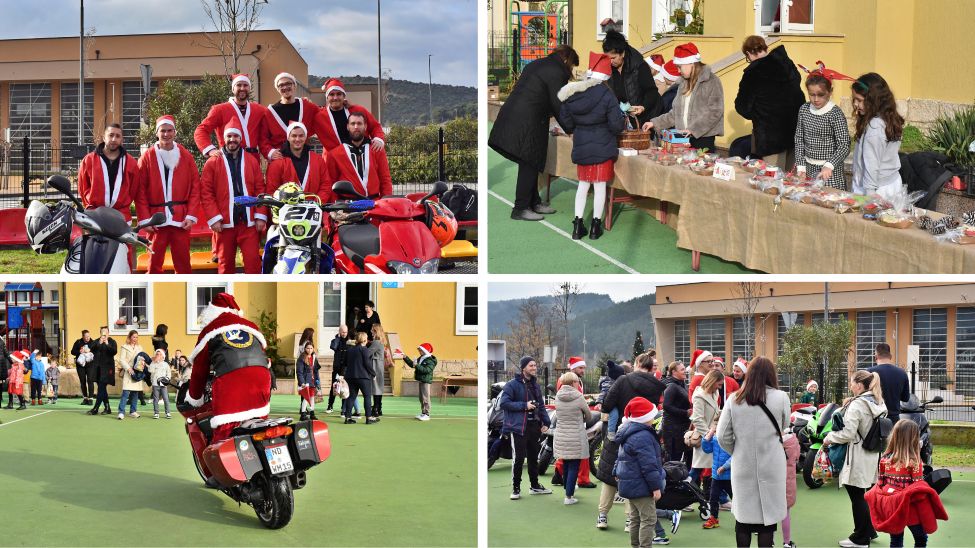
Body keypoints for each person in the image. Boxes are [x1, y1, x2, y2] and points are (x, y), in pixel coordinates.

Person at [489, 45, 580, 221]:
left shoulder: (537, 64)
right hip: (528, 119)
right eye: (572, 66)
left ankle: (534, 202)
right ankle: (521, 208)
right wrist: (571, 130)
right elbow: (558, 103)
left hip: (517, 114)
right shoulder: (557, 71)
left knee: (531, 161)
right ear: (566, 60)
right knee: (529, 161)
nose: (571, 70)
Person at [715, 357, 791, 548]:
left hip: (743, 464)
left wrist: (739, 450)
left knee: (743, 518)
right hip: (772, 463)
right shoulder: (781, 397)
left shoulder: (734, 399)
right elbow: (784, 425)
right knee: (768, 519)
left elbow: (722, 435)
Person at [185, 293, 272, 442]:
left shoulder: (210, 330)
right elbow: (262, 354)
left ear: (211, 312)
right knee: (259, 427)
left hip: (232, 382)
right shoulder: (250, 327)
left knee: (223, 433)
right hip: (261, 378)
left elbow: (200, 370)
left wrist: (194, 397)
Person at [558, 52, 627, 241]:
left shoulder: (574, 92)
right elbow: (616, 125)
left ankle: (577, 225)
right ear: (606, 76)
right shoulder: (608, 95)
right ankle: (596, 226)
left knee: (583, 184)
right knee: (600, 186)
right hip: (603, 145)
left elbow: (565, 118)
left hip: (582, 144)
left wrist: (574, 128)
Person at [823, 370, 888, 548]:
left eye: (852, 382)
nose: (850, 386)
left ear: (859, 385)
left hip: (857, 455)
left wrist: (829, 437)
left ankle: (860, 538)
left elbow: (848, 433)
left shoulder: (858, 404)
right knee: (864, 494)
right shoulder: (878, 401)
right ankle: (869, 531)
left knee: (857, 496)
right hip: (872, 454)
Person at [865, 420, 948, 548]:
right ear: (913, 438)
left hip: (892, 504)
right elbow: (918, 487)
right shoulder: (914, 461)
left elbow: (881, 483)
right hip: (910, 505)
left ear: (895, 435)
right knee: (921, 538)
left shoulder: (885, 459)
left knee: (896, 539)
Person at [136, 115, 201, 273]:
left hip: (181, 219)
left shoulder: (186, 156)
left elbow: (195, 187)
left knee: (183, 264)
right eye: (163, 131)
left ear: (174, 132)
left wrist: (191, 215)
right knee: (153, 264)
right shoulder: (147, 157)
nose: (166, 134)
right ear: (157, 133)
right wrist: (146, 220)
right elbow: (140, 191)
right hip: (156, 219)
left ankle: (185, 288)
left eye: (169, 130)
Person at [200, 123, 267, 274]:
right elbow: (206, 193)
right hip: (224, 224)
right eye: (229, 136)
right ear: (224, 139)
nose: (232, 139)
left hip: (248, 223)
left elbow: (260, 189)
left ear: (240, 139)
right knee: (225, 266)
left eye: (236, 136)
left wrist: (260, 216)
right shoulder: (212, 162)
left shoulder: (251, 160)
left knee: (253, 264)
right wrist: (214, 218)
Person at [730, 36, 805, 160]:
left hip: (770, 136)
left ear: (748, 53)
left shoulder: (753, 73)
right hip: (795, 130)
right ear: (765, 48)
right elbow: (796, 87)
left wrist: (760, 115)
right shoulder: (786, 63)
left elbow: (742, 107)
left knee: (771, 171)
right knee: (791, 172)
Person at [643, 43, 724, 151]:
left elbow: (715, 111)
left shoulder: (712, 81)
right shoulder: (682, 83)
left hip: (703, 138)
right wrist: (654, 123)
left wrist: (693, 129)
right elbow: (675, 114)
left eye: (679, 67)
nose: (678, 71)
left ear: (691, 63)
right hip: (682, 138)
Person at [613, 397, 665, 548]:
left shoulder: (627, 431)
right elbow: (649, 465)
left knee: (635, 518)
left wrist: (616, 471)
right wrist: (655, 487)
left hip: (629, 483)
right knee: (649, 519)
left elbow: (620, 456)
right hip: (642, 485)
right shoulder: (643, 436)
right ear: (646, 418)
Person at [499, 356, 553, 500]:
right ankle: (516, 488)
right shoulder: (512, 385)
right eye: (531, 365)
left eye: (535, 365)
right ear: (523, 368)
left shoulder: (535, 385)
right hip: (518, 428)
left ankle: (534, 486)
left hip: (534, 427)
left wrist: (546, 422)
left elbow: (541, 405)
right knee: (518, 459)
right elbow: (504, 403)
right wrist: (524, 406)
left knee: (533, 458)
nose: (534, 368)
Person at [793, 70, 851, 190]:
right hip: (808, 169)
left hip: (830, 173)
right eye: (812, 94)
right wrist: (801, 166)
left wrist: (829, 165)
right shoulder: (804, 110)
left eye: (820, 95)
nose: (816, 99)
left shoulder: (835, 113)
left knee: (830, 199)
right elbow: (799, 139)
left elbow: (844, 144)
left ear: (830, 92)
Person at [193, 73, 268, 162]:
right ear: (233, 88)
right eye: (239, 85)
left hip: (253, 160)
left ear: (249, 88)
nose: (242, 88)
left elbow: (269, 132)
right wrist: (210, 149)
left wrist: (271, 152)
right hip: (227, 160)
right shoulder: (219, 109)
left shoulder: (260, 110)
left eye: (245, 85)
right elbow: (201, 130)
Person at [851, 73, 904, 195]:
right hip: (890, 183)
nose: (855, 104)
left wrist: (870, 194)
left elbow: (872, 162)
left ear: (873, 100)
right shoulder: (888, 118)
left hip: (875, 189)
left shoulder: (874, 127)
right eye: (854, 99)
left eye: (859, 100)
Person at [322, 112, 393, 202]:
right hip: (347, 206)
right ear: (348, 127)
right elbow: (332, 184)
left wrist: (386, 201)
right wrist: (336, 205)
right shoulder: (334, 154)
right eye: (353, 124)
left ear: (365, 126)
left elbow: (385, 179)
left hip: (374, 203)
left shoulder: (376, 150)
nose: (356, 127)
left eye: (359, 123)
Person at [77, 124, 139, 222]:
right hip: (95, 215)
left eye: (118, 136)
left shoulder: (131, 162)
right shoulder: (89, 160)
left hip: (121, 216)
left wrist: (122, 202)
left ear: (122, 140)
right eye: (111, 135)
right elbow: (83, 187)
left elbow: (133, 190)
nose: (114, 139)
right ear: (104, 138)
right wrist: (90, 205)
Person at [601, 30, 660, 127]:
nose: (610, 62)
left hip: (645, 119)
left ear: (623, 53)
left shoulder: (639, 65)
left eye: (613, 58)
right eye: (608, 58)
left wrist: (643, 107)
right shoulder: (607, 68)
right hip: (623, 121)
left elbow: (652, 91)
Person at [313, 77, 386, 152]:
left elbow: (375, 126)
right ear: (327, 97)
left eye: (338, 94)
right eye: (331, 94)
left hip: (361, 154)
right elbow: (306, 129)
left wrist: (378, 139)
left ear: (344, 96)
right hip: (333, 157)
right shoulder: (319, 117)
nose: (335, 98)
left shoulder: (358, 110)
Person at [553, 356, 594, 488]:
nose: (583, 370)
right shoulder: (569, 381)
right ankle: (582, 479)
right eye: (581, 368)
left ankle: (560, 473)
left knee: (567, 452)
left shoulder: (569, 381)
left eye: (583, 368)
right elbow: (571, 400)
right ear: (573, 368)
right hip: (574, 422)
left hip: (568, 422)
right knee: (581, 451)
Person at [264, 122, 330, 202]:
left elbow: (325, 185)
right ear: (288, 137)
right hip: (286, 208)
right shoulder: (277, 163)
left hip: (314, 207)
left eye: (301, 136)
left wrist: (316, 203)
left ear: (305, 137)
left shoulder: (318, 160)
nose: (297, 139)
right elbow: (271, 191)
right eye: (294, 136)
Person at [263, 72, 321, 160]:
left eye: (288, 83)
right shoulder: (270, 112)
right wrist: (270, 152)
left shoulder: (307, 106)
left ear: (294, 86)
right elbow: (263, 137)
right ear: (277, 89)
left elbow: (325, 117)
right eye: (281, 85)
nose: (285, 87)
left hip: (303, 158)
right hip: (280, 159)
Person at [690, 370, 723, 486]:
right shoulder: (699, 396)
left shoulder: (714, 393)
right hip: (704, 437)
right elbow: (697, 419)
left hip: (711, 435)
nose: (720, 387)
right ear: (712, 381)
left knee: (708, 468)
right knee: (697, 469)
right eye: (719, 384)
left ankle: (710, 493)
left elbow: (714, 412)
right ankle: (684, 490)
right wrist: (708, 435)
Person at [867, 343, 911, 423]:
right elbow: (905, 398)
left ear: (875, 357)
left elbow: (864, 396)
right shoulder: (902, 373)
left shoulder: (869, 372)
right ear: (890, 356)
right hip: (894, 419)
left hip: (874, 419)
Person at [661, 361, 691, 467]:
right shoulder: (671, 386)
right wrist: (685, 412)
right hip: (673, 430)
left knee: (685, 457)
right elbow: (666, 405)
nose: (685, 371)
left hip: (682, 427)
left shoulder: (683, 384)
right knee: (673, 459)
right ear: (674, 372)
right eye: (682, 369)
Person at [343, 332, 377, 424]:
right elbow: (367, 364)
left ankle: (348, 418)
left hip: (350, 376)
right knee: (367, 396)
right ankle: (368, 418)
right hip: (363, 377)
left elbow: (345, 363)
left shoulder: (349, 350)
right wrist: (373, 373)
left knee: (351, 397)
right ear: (364, 340)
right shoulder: (364, 349)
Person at [701, 430, 731, 529]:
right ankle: (714, 519)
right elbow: (706, 449)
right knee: (713, 498)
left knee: (737, 499)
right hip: (716, 476)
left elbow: (736, 456)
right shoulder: (715, 438)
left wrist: (725, 467)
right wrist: (708, 436)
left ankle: (748, 522)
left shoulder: (732, 439)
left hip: (729, 476)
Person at [402, 342, 437, 421]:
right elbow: (413, 365)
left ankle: (427, 414)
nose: (419, 351)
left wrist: (417, 365)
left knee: (426, 397)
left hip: (426, 380)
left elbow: (426, 370)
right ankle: (423, 412)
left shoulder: (430, 360)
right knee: (421, 398)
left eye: (420, 350)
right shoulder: (421, 357)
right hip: (421, 379)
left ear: (425, 351)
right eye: (419, 350)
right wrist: (405, 357)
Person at [116, 332, 145, 419]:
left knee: (135, 392)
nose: (135, 339)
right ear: (129, 337)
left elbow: (142, 358)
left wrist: (142, 364)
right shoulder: (124, 347)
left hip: (137, 371)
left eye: (136, 337)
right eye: (133, 337)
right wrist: (128, 368)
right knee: (125, 393)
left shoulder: (140, 347)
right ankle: (121, 412)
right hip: (128, 371)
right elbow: (121, 360)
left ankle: (133, 411)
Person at [89, 327, 117, 415]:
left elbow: (114, 351)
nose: (104, 335)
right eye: (102, 333)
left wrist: (107, 344)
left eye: (106, 333)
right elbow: (91, 348)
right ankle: (107, 408)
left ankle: (96, 408)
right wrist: (99, 343)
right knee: (102, 388)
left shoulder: (112, 341)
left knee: (101, 387)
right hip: (97, 369)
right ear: (100, 333)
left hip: (107, 369)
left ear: (108, 333)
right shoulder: (96, 341)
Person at [781, 426, 801, 548]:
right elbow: (797, 458)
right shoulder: (794, 440)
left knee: (769, 514)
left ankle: (769, 540)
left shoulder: (772, 440)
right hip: (788, 481)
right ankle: (787, 542)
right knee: (786, 512)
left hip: (772, 480)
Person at [327, 325, 351, 413]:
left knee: (344, 388)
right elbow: (333, 347)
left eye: (346, 332)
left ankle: (343, 408)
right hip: (337, 367)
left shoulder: (350, 341)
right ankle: (330, 406)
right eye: (343, 332)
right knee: (334, 386)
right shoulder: (335, 340)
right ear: (339, 332)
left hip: (345, 368)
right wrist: (338, 338)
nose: (344, 334)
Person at [296, 341, 320, 421]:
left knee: (312, 398)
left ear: (313, 349)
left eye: (311, 348)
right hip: (306, 382)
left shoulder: (314, 358)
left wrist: (317, 381)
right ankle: (303, 414)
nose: (309, 350)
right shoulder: (301, 358)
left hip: (313, 381)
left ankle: (312, 413)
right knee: (306, 398)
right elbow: (299, 372)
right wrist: (302, 382)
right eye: (308, 348)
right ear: (305, 349)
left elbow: (316, 371)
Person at [368, 324, 389, 417]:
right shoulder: (380, 341)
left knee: (376, 387)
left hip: (375, 365)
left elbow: (367, 353)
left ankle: (375, 408)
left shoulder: (376, 342)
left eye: (372, 330)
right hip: (379, 365)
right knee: (379, 387)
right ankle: (379, 408)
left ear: (376, 331)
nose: (371, 332)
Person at [70, 330, 95, 406]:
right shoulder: (78, 342)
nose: (87, 338)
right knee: (82, 381)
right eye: (86, 336)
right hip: (80, 366)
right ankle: (85, 398)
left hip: (90, 365)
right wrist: (79, 351)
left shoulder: (93, 343)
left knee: (90, 380)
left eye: (88, 336)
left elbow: (97, 352)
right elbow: (72, 351)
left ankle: (91, 398)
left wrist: (90, 350)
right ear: (83, 336)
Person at [148, 349, 171, 419]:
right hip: (155, 384)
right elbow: (150, 370)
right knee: (155, 399)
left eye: (160, 354)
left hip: (163, 384)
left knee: (166, 398)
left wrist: (167, 379)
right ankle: (156, 413)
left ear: (163, 356)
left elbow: (169, 373)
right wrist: (153, 362)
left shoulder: (165, 364)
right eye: (157, 354)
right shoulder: (153, 363)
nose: (158, 355)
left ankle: (168, 412)